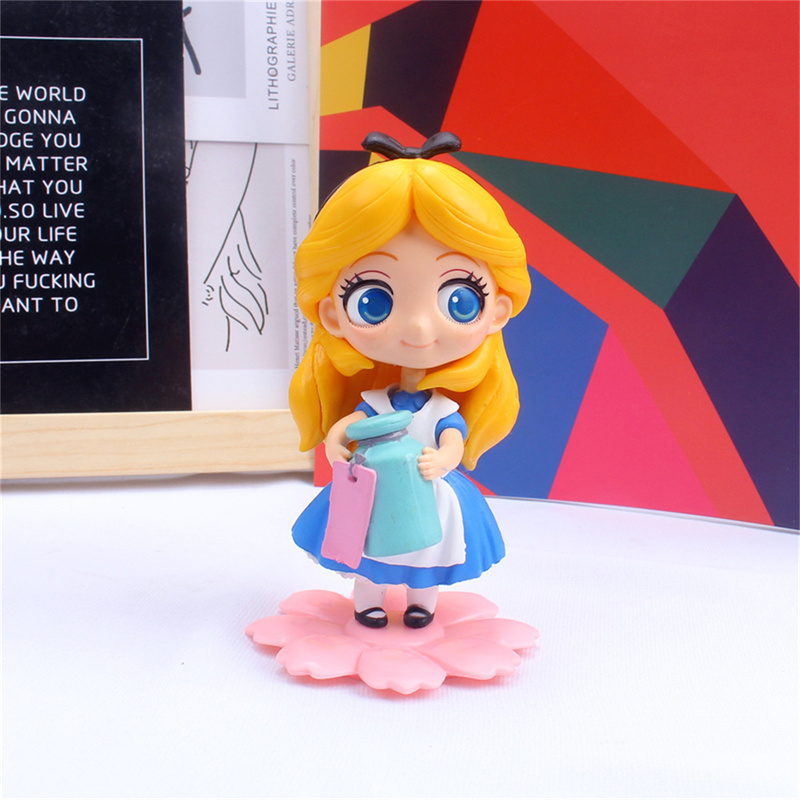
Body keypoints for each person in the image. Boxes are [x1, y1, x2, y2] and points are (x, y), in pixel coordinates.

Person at [289, 132, 531, 629]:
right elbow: (352, 425)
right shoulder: (376, 401)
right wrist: (336, 440)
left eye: (460, 299)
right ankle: (368, 603)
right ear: (332, 314)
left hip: (428, 487)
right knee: (368, 552)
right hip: (377, 487)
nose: (419, 329)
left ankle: (422, 605)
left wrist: (444, 458)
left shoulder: (443, 409)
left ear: (498, 310)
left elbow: (452, 438)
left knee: (429, 555)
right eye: (372, 300)